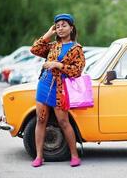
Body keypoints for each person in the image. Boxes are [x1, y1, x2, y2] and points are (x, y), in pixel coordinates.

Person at [30, 13, 85, 167]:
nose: (60, 28)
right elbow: (34, 49)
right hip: (44, 85)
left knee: (63, 121)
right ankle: (39, 156)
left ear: (71, 28)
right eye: (58, 26)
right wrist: (49, 33)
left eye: (64, 25)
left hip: (61, 89)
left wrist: (58, 65)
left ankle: (74, 155)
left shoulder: (76, 48)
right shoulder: (53, 46)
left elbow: (77, 71)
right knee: (41, 120)